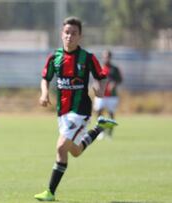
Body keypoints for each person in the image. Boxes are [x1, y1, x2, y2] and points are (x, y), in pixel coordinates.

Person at [34, 17, 118, 201]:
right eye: (67, 32)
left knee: (61, 147)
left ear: (80, 36)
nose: (69, 36)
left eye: (73, 33)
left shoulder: (87, 58)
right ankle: (99, 127)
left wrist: (101, 89)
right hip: (62, 112)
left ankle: (50, 192)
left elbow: (101, 75)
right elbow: (45, 78)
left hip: (80, 111)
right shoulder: (54, 57)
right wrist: (44, 93)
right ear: (61, 34)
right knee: (75, 151)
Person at [94, 50, 123, 137]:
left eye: (108, 56)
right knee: (98, 111)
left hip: (112, 96)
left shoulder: (115, 69)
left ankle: (110, 132)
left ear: (110, 57)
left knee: (111, 113)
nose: (106, 58)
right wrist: (96, 84)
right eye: (105, 56)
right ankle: (100, 131)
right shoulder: (99, 67)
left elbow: (120, 80)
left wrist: (114, 83)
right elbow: (96, 79)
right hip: (101, 95)